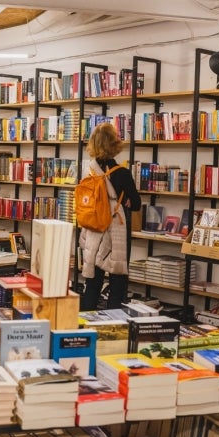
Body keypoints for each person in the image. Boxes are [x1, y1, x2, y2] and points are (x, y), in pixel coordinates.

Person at [79, 123, 141, 310]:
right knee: (117, 278)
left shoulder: (88, 170)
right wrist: (124, 201)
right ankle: (114, 324)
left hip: (93, 226)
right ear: (115, 145)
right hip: (115, 227)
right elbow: (136, 203)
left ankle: (85, 322)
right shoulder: (122, 173)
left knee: (93, 279)